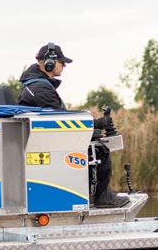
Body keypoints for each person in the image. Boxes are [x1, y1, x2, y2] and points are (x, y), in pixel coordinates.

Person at [18, 42, 129, 208]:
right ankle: (102, 196)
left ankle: (91, 194)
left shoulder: (36, 85)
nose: (64, 66)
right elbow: (62, 121)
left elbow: (59, 116)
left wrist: (92, 123)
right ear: (49, 62)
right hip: (49, 144)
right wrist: (97, 123)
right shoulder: (41, 88)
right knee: (100, 148)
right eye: (61, 62)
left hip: (45, 139)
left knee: (93, 138)